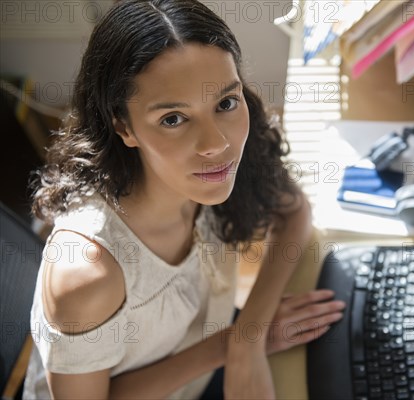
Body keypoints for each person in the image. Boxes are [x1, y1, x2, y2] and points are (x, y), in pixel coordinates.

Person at [23, 0, 345, 398]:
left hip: (209, 353)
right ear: (123, 126)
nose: (217, 143)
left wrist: (248, 336)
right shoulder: (86, 274)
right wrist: (231, 345)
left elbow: (294, 209)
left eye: (226, 102)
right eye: (173, 119)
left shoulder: (217, 158)